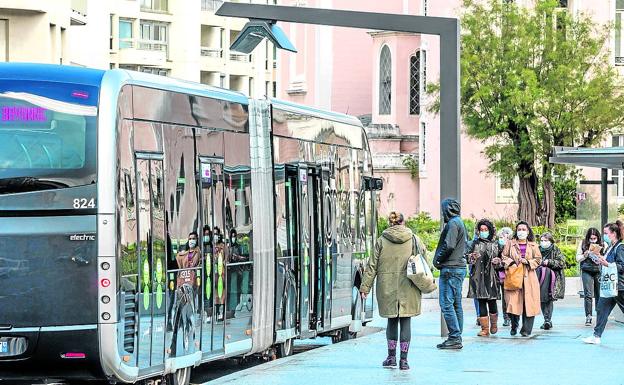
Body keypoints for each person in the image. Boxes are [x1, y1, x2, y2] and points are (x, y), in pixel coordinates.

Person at [360, 212, 423, 370]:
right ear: (404, 222)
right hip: (409, 285)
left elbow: (372, 266)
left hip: (387, 286)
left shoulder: (381, 241)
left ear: (390, 223)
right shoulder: (414, 239)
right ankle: (404, 360)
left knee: (392, 321)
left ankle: (391, 357)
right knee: (406, 320)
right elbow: (423, 261)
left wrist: (365, 287)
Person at [433, 198, 467, 349]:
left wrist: (439, 259)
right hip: (458, 268)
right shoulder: (459, 222)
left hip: (450, 269)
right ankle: (456, 336)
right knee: (456, 304)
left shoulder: (453, 223)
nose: (442, 214)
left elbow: (449, 245)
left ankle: (454, 337)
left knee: (446, 304)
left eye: (443, 210)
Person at [583, 221, 624, 345]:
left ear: (613, 233)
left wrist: (606, 263)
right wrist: (599, 259)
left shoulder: (620, 247)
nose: (604, 235)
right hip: (610, 285)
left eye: (606, 233)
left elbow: (621, 266)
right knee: (601, 309)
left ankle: (596, 335)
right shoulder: (611, 247)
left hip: (618, 285)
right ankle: (596, 335)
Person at [502, 221, 542, 337]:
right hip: (514, 276)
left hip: (529, 277)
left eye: (524, 229)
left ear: (528, 231)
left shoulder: (534, 245)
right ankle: (514, 325)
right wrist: (513, 262)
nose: (521, 232)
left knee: (529, 304)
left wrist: (528, 262)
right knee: (513, 303)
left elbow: (538, 259)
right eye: (519, 229)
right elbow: (504, 256)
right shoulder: (510, 244)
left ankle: (526, 330)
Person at [466, 219, 501, 337]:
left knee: (492, 302)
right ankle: (485, 328)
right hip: (478, 277)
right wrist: (471, 257)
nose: (483, 232)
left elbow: (503, 260)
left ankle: (494, 324)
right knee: (481, 301)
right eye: (481, 230)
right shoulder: (474, 244)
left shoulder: (496, 244)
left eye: (486, 230)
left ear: (490, 230)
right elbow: (465, 257)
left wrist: (498, 261)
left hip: (492, 277)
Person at [537, 232, 566, 330]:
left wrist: (549, 262)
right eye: (541, 240)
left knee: (548, 298)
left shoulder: (556, 250)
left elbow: (561, 262)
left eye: (546, 240)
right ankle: (547, 319)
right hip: (539, 277)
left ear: (550, 241)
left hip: (551, 279)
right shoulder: (537, 249)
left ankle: (547, 320)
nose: (543, 242)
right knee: (541, 298)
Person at [576, 228, 603, 326]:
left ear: (598, 237)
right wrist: (585, 255)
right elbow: (578, 258)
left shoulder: (603, 244)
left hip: (598, 271)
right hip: (586, 270)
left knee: (599, 294)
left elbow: (607, 259)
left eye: (594, 238)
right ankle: (588, 316)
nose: (593, 240)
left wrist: (599, 255)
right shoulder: (583, 243)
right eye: (591, 238)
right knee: (588, 294)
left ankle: (600, 315)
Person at [497, 227, 514, 326]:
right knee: (505, 298)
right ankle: (506, 318)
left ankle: (513, 316)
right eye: (501, 236)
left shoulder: (512, 247)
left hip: (511, 275)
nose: (502, 238)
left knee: (512, 297)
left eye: (505, 236)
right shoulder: (497, 246)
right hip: (501, 276)